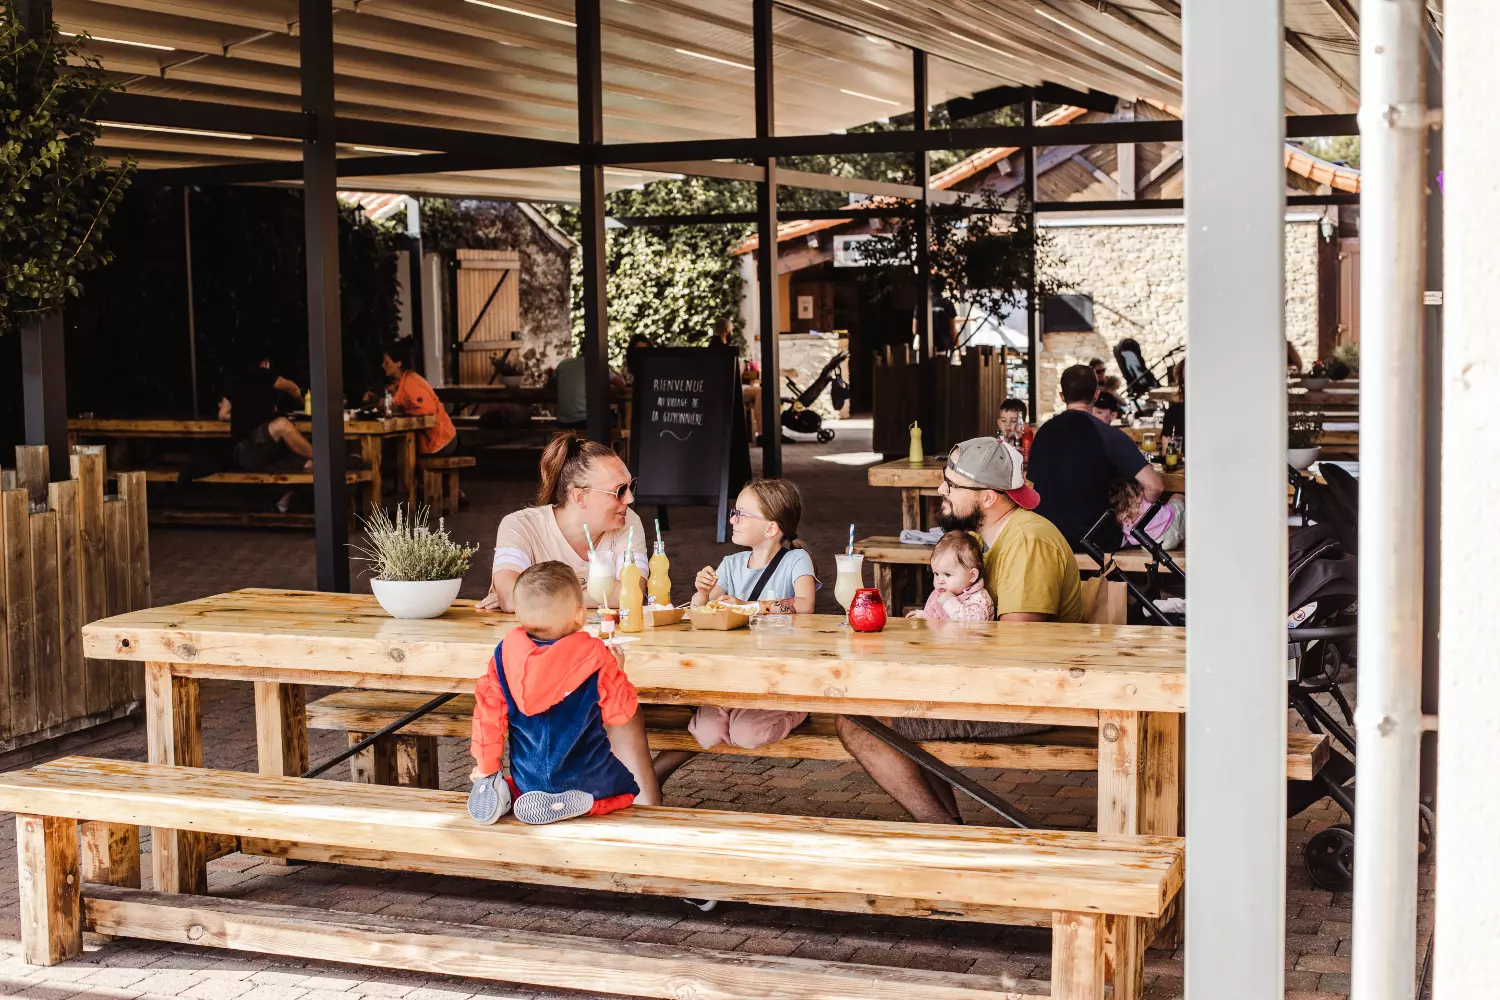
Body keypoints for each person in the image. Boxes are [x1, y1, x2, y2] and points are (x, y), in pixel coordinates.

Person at [835, 437, 1083, 824]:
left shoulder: (1026, 542)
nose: (940, 490)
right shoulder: (988, 538)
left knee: (858, 722)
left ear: (987, 498)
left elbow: (1021, 647)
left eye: (951, 484)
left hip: (1029, 699)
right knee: (873, 700)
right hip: (1002, 687)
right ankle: (949, 828)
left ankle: (941, 831)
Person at [467, 561, 661, 825]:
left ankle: (499, 788)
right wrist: (617, 671)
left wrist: (487, 766)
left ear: (518, 614)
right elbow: (621, 713)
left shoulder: (503, 656)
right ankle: (581, 803)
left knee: (518, 782)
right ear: (580, 615)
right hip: (586, 776)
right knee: (625, 793)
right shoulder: (598, 658)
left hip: (528, 779)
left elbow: (487, 719)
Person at [653, 479, 818, 784]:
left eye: (741, 514)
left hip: (776, 678)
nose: (732, 519)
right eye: (734, 512)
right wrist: (702, 593)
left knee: (747, 734)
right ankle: (731, 709)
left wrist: (751, 606)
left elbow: (805, 604)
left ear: (771, 528)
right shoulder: (731, 564)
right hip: (732, 675)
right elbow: (703, 612)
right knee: (707, 732)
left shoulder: (796, 559)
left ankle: (796, 710)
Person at [477, 432, 647, 612]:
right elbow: (510, 598)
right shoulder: (520, 526)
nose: (630, 499)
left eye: (631, 486)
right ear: (579, 497)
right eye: (620, 491)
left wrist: (533, 598)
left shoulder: (627, 522)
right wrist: (595, 595)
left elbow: (632, 591)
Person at [1027, 364, 1164, 551]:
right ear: (1097, 395)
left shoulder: (1042, 434)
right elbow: (1155, 486)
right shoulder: (1108, 434)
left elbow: (1032, 484)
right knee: (1177, 505)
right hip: (1097, 541)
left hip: (1048, 540)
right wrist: (1133, 512)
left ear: (1062, 396)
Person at [218, 356, 311, 513]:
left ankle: (284, 500)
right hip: (250, 448)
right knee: (283, 425)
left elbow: (222, 414)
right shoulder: (265, 374)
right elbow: (291, 387)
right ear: (264, 363)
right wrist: (300, 400)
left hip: (250, 453)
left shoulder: (233, 380)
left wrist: (244, 413)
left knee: (307, 463)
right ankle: (324, 459)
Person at [377, 339, 457, 457]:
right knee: (392, 448)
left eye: (387, 362)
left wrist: (403, 410)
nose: (383, 366)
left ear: (398, 363)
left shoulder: (410, 383)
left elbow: (428, 410)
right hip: (436, 440)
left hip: (440, 442)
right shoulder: (404, 381)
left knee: (392, 452)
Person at [906, 531, 994, 621]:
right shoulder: (942, 594)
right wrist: (924, 615)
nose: (939, 581)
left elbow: (974, 622)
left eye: (947, 574)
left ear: (972, 576)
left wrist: (950, 602)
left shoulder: (979, 598)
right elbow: (942, 616)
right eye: (936, 574)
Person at [1110, 480, 1186, 551]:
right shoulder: (1142, 497)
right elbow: (1152, 485)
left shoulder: (1121, 516)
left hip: (1150, 546)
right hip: (1171, 531)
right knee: (1177, 496)